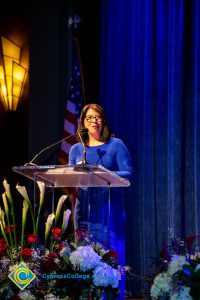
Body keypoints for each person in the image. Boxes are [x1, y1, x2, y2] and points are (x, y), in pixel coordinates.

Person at [68, 103, 133, 297]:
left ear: (103, 121)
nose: (94, 120)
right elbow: (70, 176)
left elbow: (128, 173)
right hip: (85, 209)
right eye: (89, 117)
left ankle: (113, 295)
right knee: (83, 256)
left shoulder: (116, 144)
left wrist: (101, 173)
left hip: (109, 209)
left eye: (98, 117)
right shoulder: (76, 149)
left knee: (111, 258)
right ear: (83, 123)